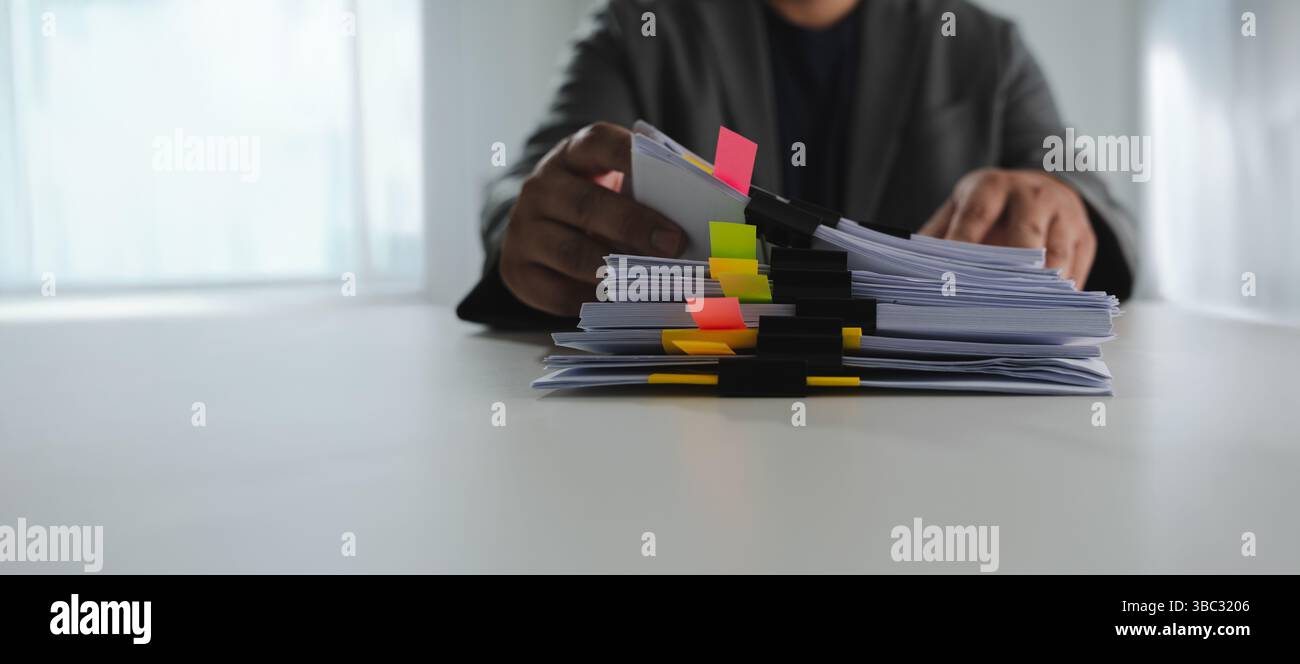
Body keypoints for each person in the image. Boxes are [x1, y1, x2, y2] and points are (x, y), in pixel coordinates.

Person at [457, 0, 1138, 329]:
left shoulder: (984, 47)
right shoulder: (635, 31)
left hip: (925, 445)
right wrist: (535, 222)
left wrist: (1061, 206)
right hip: (687, 438)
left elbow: (1084, 193)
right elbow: (530, 184)